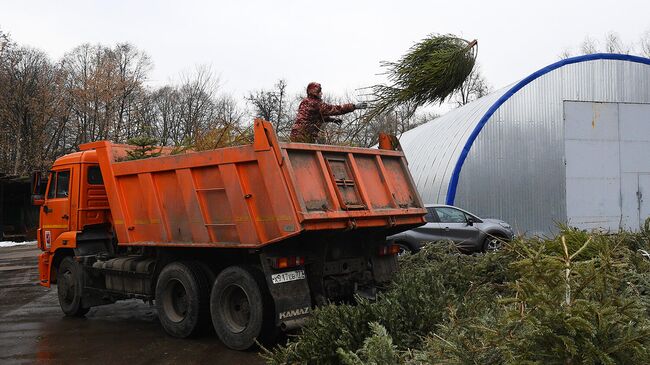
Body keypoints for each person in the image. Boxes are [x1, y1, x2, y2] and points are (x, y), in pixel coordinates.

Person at [290, 82, 367, 143]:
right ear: (315, 93)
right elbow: (335, 109)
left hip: (296, 134)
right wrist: (354, 106)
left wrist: (331, 119)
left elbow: (313, 117)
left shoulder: (305, 101)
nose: (322, 94)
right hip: (305, 136)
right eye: (320, 92)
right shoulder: (315, 103)